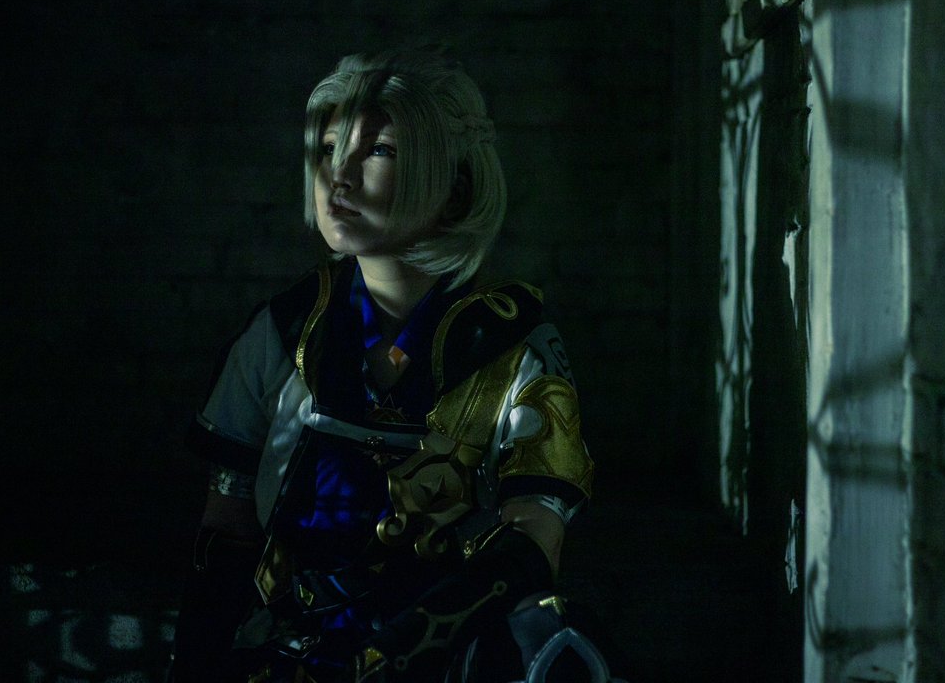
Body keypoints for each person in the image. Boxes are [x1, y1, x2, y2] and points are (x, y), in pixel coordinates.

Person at [168, 48, 613, 682]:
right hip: (294, 639)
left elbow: (535, 539)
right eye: (329, 149)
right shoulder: (283, 331)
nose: (339, 177)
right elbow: (227, 525)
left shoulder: (514, 344)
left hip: (449, 651)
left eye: (379, 151)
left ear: (455, 187)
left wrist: (404, 649)